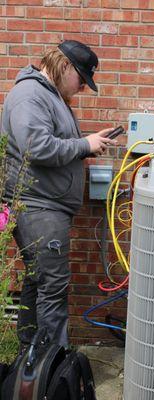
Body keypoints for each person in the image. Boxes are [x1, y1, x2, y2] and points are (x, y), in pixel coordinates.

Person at [1, 40, 117, 349]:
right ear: (65, 66)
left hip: (46, 205)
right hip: (39, 207)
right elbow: (36, 147)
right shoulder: (30, 95)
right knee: (52, 286)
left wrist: (86, 142)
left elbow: (51, 142)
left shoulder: (49, 96)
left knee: (39, 280)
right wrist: (84, 145)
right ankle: (52, 364)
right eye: (82, 79)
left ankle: (31, 358)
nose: (81, 88)